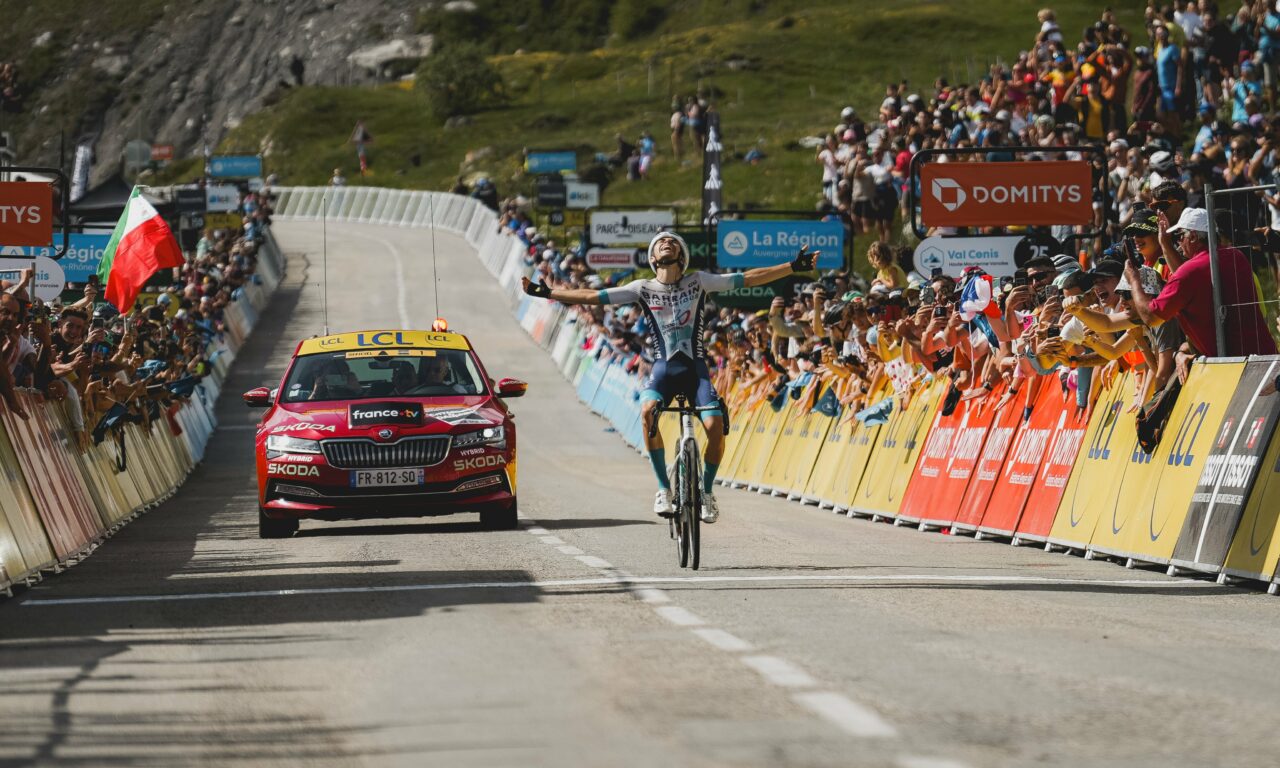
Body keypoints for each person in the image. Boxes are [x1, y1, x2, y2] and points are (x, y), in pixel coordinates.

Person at [521, 232, 817, 523]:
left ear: (681, 256)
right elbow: (592, 297)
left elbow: (749, 277)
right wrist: (547, 293)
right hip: (663, 370)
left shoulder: (699, 281)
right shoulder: (642, 288)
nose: (666, 242)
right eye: (661, 242)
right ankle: (663, 489)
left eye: (672, 242)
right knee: (648, 412)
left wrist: (792, 266)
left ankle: (707, 491)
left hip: (696, 371)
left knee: (715, 426)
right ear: (652, 258)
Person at [1124, 207, 1277, 358]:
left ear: (1193, 237)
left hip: (1234, 366)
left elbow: (1151, 317)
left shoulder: (1191, 271)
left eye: (1180, 235)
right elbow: (1188, 279)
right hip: (1265, 357)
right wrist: (1165, 244)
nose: (1178, 242)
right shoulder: (1236, 256)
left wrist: (1134, 280)